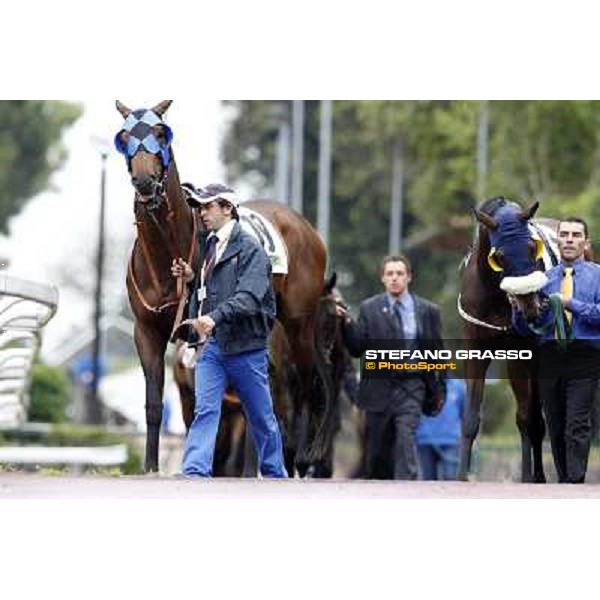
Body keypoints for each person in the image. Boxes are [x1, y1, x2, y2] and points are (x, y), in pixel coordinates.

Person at [171, 182, 287, 478]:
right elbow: (214, 290)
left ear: (227, 209)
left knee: (262, 418)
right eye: (199, 207)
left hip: (247, 351)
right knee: (205, 411)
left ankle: (275, 474)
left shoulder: (252, 250)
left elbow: (248, 297)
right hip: (214, 349)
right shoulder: (210, 246)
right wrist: (193, 278)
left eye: (208, 207)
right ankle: (195, 472)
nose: (201, 213)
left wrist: (213, 318)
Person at [336, 254, 444, 480]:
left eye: (399, 273)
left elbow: (437, 352)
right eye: (390, 274)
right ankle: (381, 492)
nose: (395, 278)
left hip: (413, 384)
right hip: (378, 387)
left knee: (406, 438)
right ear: (383, 279)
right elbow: (357, 348)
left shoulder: (427, 311)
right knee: (377, 454)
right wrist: (346, 324)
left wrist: (440, 387)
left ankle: (407, 488)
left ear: (409, 277)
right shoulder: (369, 308)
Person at [512, 217, 600, 483]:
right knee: (556, 425)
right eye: (565, 235)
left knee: (577, 423)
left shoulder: (598, 275)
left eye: (576, 235)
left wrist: (570, 303)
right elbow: (528, 329)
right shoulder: (542, 280)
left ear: (585, 242)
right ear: (557, 240)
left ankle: (575, 481)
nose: (570, 239)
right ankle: (565, 481)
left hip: (586, 356)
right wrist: (520, 310)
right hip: (549, 356)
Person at [415, 378, 465, 480]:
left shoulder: (458, 386)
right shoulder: (422, 384)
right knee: (427, 480)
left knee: (450, 478)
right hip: (425, 440)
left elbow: (464, 412)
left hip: (451, 441)